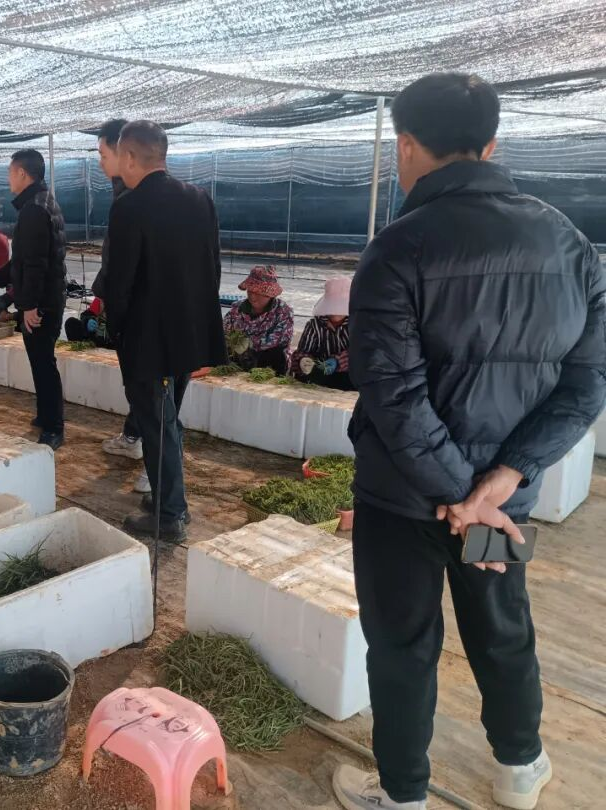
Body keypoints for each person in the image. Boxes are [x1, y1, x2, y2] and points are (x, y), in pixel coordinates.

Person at [333, 74, 606, 810]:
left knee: (402, 642)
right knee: (501, 626)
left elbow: (394, 395)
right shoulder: (571, 245)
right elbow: (588, 382)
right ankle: (520, 768)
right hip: (500, 509)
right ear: (491, 145)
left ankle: (403, 796)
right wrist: (500, 482)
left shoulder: (397, 247)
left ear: (406, 145)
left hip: (401, 500)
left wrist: (459, 492)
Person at [102, 121, 226, 542]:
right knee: (167, 418)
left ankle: (170, 515)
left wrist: (116, 330)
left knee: (156, 423)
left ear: (129, 157)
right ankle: (167, 499)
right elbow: (213, 266)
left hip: (148, 337)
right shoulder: (199, 199)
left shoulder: (129, 206)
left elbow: (119, 282)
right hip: (188, 333)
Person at [0, 149, 67, 449]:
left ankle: (54, 427)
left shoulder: (34, 209)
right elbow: (23, 259)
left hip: (42, 303)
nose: (8, 179)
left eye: (9, 172)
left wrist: (29, 306)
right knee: (40, 360)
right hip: (47, 298)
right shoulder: (43, 202)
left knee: (43, 363)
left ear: (22, 174)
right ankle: (45, 415)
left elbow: (36, 264)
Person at [89, 118, 149, 491]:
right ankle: (134, 437)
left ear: (124, 153)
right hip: (133, 313)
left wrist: (117, 307)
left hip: (145, 317)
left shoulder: (137, 201)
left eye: (102, 153)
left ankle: (157, 470)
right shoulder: (123, 196)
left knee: (153, 395)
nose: (100, 161)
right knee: (139, 388)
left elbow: (127, 266)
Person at [223, 265, 294, 374]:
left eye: (257, 292)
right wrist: (232, 341)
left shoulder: (283, 312)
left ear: (269, 294)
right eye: (250, 291)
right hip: (239, 361)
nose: (252, 296)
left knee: (276, 354)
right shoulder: (237, 309)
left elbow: (281, 339)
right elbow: (224, 331)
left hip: (269, 364)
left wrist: (248, 343)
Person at [290, 276, 353, 390]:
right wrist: (304, 360)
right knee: (306, 378)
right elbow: (303, 351)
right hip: (321, 371)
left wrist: (337, 361)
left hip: (348, 374)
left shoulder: (357, 325)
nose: (336, 310)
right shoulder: (314, 325)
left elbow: (361, 352)